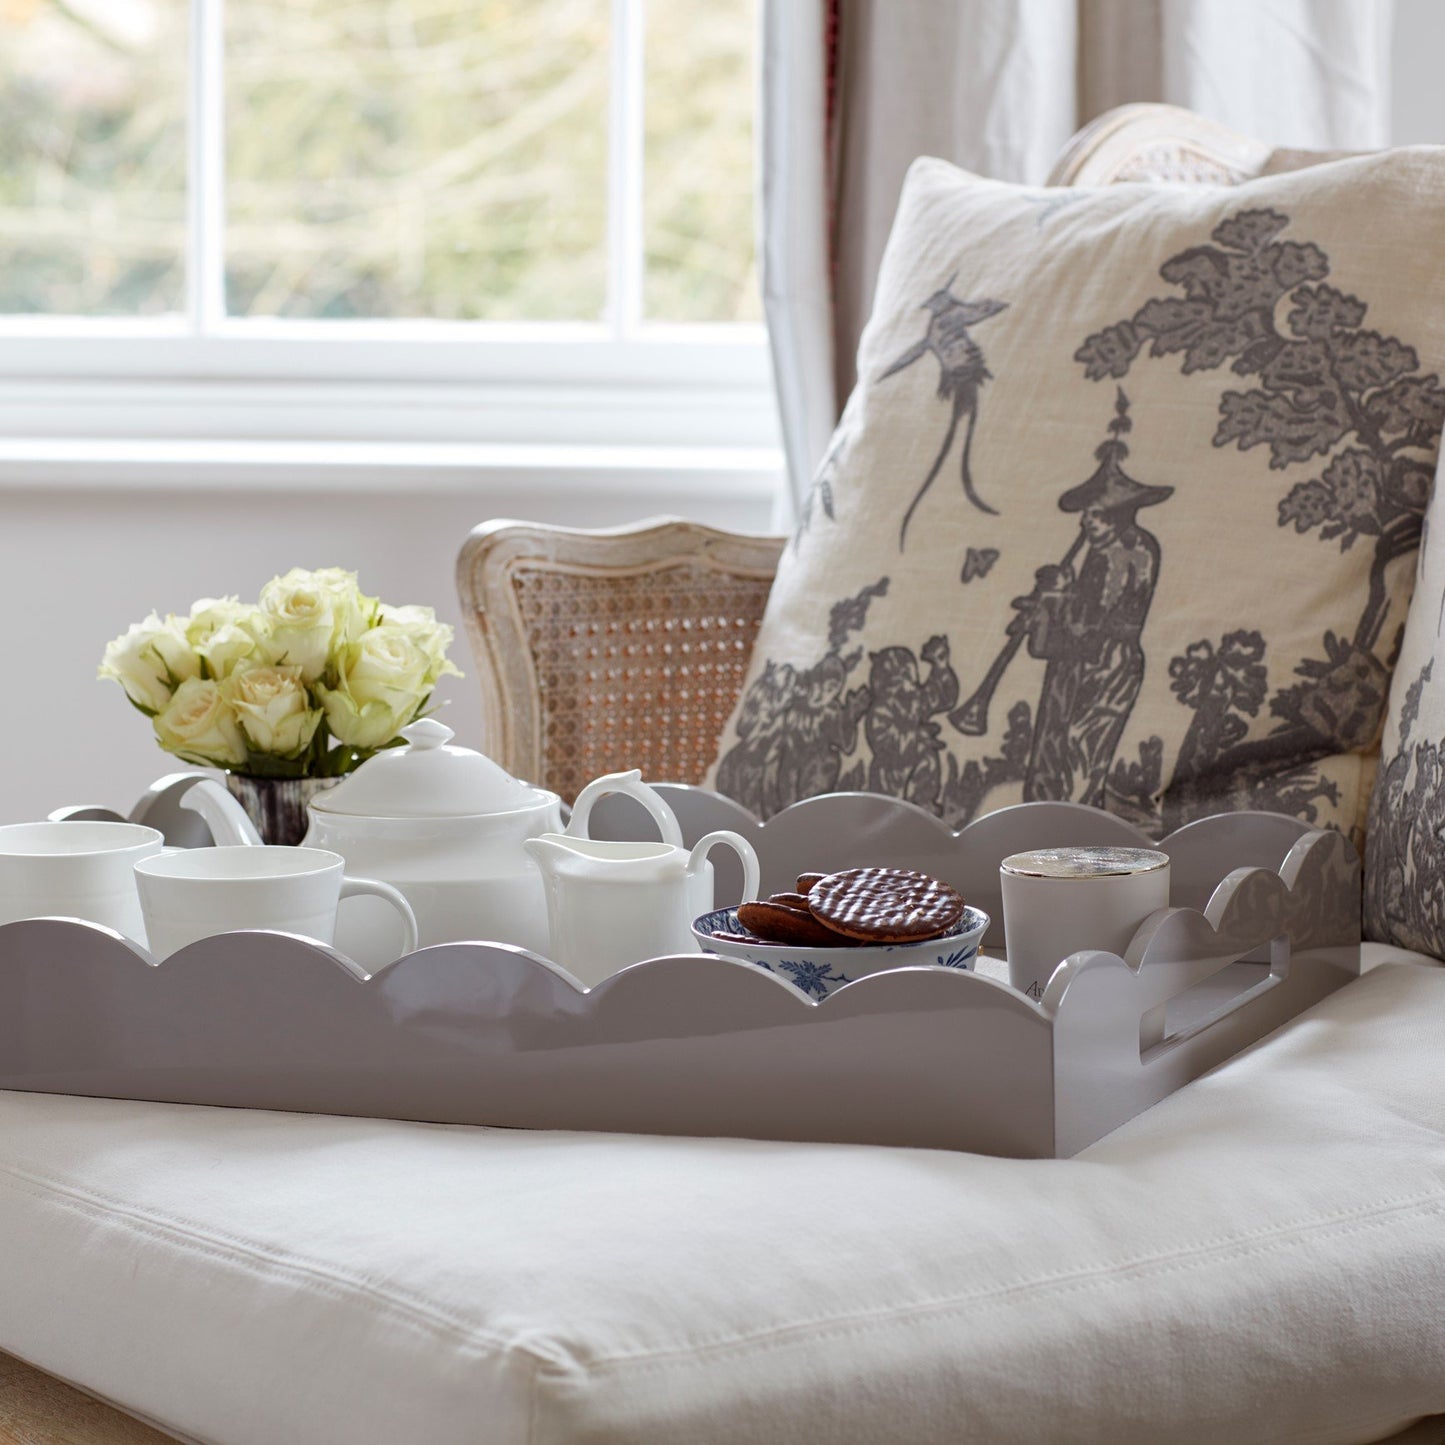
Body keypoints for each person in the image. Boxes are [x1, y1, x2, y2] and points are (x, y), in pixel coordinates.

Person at [1018, 398, 1173, 805]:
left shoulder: (1131, 550)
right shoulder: (1100, 548)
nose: (1086, 521)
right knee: (1051, 748)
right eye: (1087, 514)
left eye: (1096, 514)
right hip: (1075, 660)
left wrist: (1059, 600)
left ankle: (1075, 839)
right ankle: (1037, 828)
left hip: (1106, 663)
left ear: (1118, 514)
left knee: (1080, 752)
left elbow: (1105, 614)